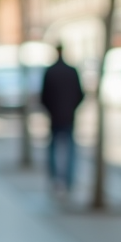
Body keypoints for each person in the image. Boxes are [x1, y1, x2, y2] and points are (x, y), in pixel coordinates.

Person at [39, 44, 84, 196]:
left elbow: (43, 97)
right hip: (69, 116)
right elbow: (81, 94)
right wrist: (72, 108)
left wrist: (51, 110)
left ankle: (54, 179)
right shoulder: (71, 71)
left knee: (53, 148)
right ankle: (69, 181)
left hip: (55, 116)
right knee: (70, 149)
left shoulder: (50, 71)